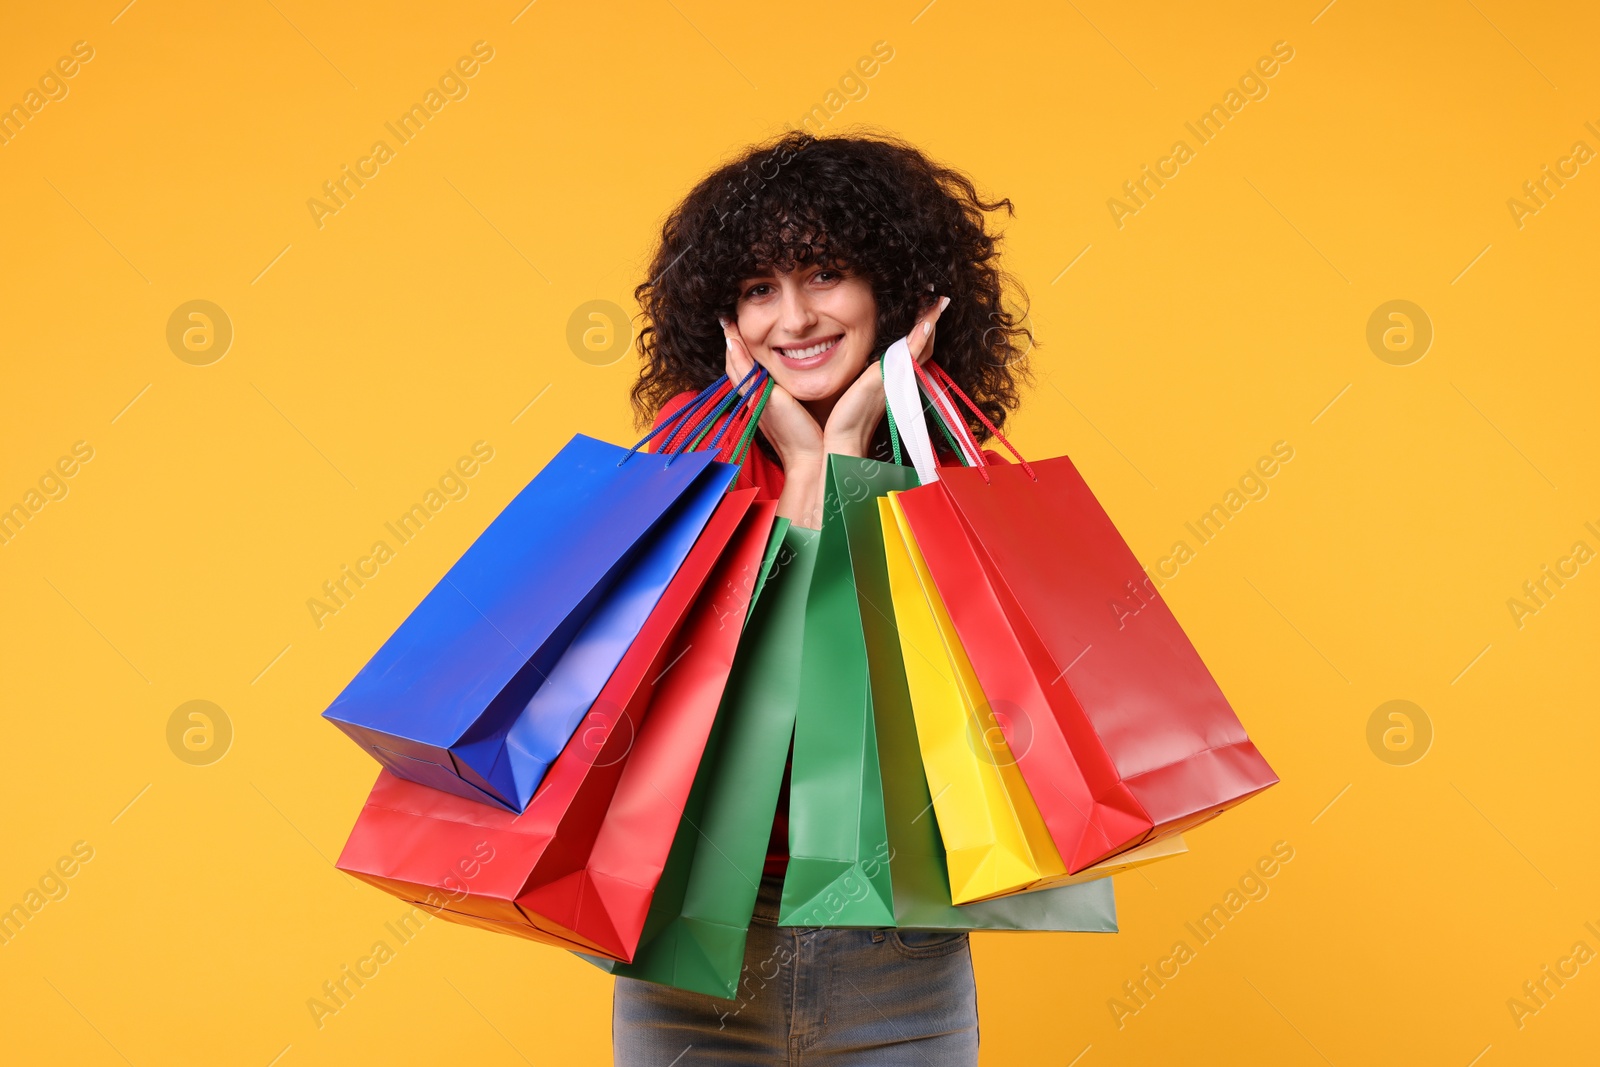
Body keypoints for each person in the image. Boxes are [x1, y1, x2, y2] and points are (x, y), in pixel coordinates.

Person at [616, 129, 1035, 1066]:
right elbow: (712, 717)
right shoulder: (676, 488)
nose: (793, 317)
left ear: (893, 289)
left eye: (823, 274)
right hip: (690, 952)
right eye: (760, 288)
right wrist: (802, 462)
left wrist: (839, 456)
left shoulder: (951, 486)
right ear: (722, 315)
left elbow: (872, 726)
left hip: (900, 951)